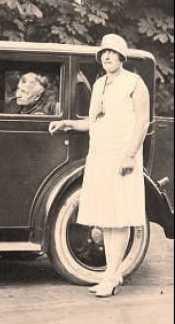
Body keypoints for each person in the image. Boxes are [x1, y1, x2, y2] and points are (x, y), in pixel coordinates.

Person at [49, 33, 150, 298]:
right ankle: (113, 274)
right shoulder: (100, 84)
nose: (107, 57)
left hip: (123, 156)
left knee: (120, 217)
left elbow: (142, 122)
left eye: (112, 53)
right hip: (101, 156)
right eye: (103, 53)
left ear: (121, 57)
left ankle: (112, 276)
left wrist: (130, 155)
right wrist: (69, 123)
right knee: (106, 218)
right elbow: (94, 122)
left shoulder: (135, 83)